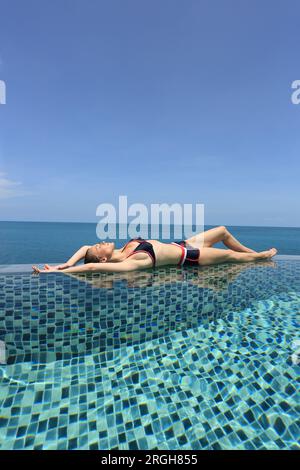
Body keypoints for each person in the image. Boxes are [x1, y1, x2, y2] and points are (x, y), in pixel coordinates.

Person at [32, 225, 277, 274]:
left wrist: (68, 262)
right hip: (188, 257)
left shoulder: (124, 248)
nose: (98, 242)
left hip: (184, 244)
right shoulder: (131, 261)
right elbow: (93, 264)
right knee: (234, 257)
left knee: (222, 230)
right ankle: (258, 257)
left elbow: (86, 249)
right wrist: (56, 271)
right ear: (105, 257)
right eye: (99, 246)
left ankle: (252, 251)